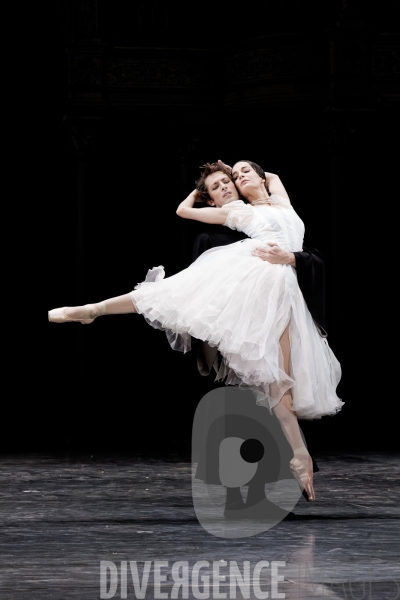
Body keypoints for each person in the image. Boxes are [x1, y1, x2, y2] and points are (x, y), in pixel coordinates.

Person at [48, 160, 343, 503]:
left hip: (287, 292)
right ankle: (92, 310)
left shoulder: (282, 202)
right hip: (256, 278)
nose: (235, 180)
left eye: (239, 176)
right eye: (226, 182)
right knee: (170, 292)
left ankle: (299, 456)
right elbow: (183, 211)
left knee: (281, 382)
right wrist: (209, 187)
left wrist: (233, 167)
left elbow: (273, 176)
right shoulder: (235, 213)